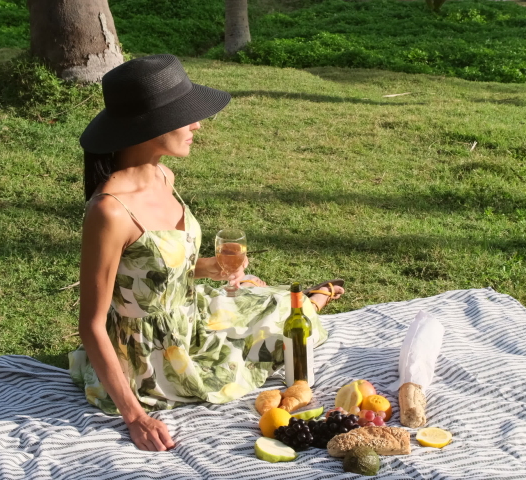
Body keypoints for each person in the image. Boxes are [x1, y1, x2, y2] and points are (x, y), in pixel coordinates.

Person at [68, 55, 346, 452]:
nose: (197, 125)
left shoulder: (164, 175)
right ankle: (322, 297)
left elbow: (150, 272)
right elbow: (91, 324)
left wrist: (210, 268)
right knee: (278, 325)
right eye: (185, 116)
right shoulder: (110, 211)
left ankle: (316, 298)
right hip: (155, 356)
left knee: (287, 307)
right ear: (148, 127)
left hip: (190, 315)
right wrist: (136, 418)